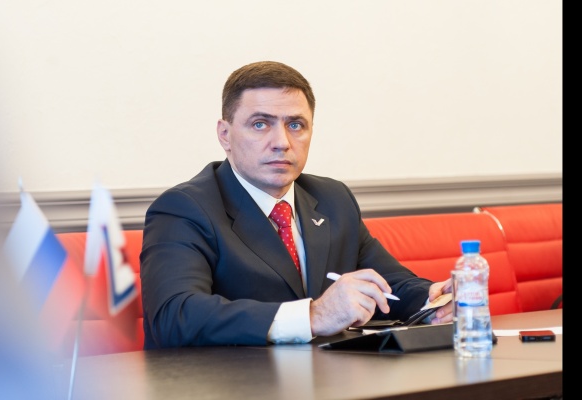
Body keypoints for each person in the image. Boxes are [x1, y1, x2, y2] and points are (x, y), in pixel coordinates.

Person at [140, 61, 453, 349]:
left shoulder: (332, 198)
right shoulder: (184, 208)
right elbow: (175, 315)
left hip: (330, 376)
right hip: (231, 380)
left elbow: (388, 284)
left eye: (295, 125)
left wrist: (435, 302)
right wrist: (313, 315)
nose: (282, 142)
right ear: (225, 135)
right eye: (260, 124)